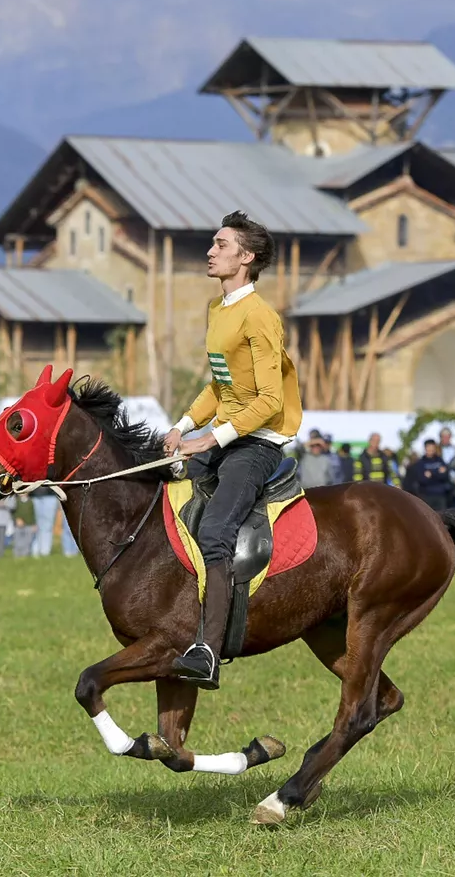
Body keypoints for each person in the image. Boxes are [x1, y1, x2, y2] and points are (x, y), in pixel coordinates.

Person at [161, 210, 302, 690]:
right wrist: (182, 426)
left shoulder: (260, 316)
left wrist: (211, 438)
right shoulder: (217, 308)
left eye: (221, 245)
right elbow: (221, 385)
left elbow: (270, 401)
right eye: (213, 244)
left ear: (247, 258)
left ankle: (208, 650)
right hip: (224, 432)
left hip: (257, 443)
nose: (210, 251)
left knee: (217, 528)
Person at [413, 439, 450, 510]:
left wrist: (431, 473)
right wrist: (438, 472)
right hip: (427, 496)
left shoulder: (440, 460)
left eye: (432, 447)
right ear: (425, 448)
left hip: (440, 495)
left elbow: (445, 476)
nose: (430, 449)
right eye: (428, 447)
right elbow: (422, 479)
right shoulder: (421, 463)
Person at [31, 486, 59, 557]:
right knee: (35, 525)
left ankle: (45, 551)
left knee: (47, 526)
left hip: (50, 494)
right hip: (34, 494)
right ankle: (35, 550)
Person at [12, 493, 37, 557]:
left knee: (27, 541)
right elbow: (13, 513)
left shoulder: (31, 501)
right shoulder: (16, 501)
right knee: (17, 541)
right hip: (18, 525)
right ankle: (17, 555)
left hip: (28, 524)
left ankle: (25, 555)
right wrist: (17, 519)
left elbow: (33, 513)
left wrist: (34, 523)